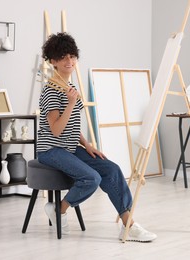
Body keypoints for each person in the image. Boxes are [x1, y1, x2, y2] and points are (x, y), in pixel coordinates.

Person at [37, 32, 157, 242]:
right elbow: (56, 130)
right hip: (51, 150)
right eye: (63, 57)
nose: (69, 61)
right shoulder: (50, 91)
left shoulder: (70, 88)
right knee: (91, 178)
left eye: (72, 56)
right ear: (53, 61)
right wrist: (71, 104)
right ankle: (60, 210)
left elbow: (72, 125)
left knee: (111, 169)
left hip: (71, 147)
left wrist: (87, 144)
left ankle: (128, 224)